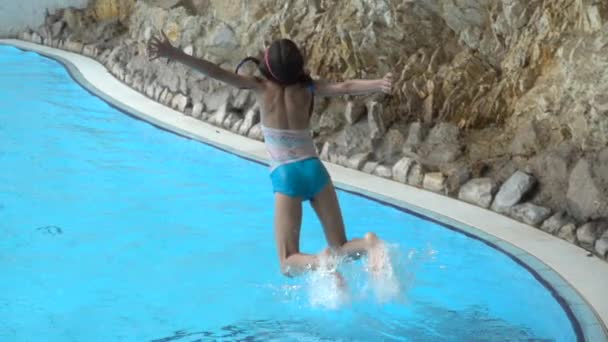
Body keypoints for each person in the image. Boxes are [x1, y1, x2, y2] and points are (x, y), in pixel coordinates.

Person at [148, 34, 393, 279]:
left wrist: (175, 54)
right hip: (315, 170)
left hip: (287, 175)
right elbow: (346, 87)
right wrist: (379, 83)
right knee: (340, 246)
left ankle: (320, 262)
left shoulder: (260, 87)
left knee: (288, 262)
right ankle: (369, 244)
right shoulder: (308, 87)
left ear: (268, 64)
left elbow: (216, 72)